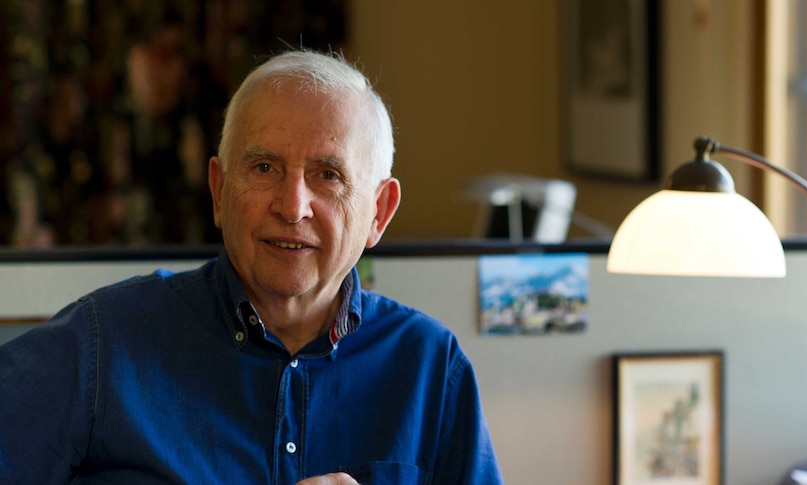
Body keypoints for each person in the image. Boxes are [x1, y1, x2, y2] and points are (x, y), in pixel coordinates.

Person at [0, 50, 504, 484]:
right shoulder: (102, 345)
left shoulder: (431, 368)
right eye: (264, 168)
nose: (292, 205)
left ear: (379, 212)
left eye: (327, 175)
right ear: (219, 192)